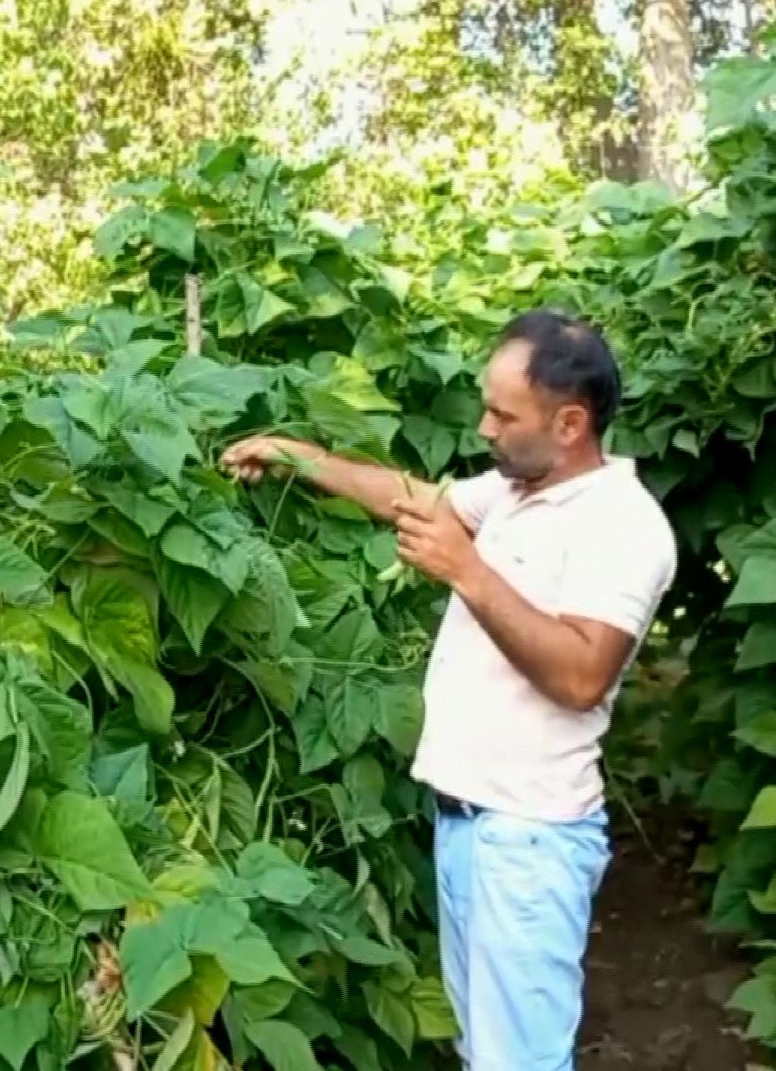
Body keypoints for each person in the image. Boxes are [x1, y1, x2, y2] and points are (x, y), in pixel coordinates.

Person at [219, 308, 677, 1071]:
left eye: (504, 413)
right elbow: (410, 495)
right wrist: (300, 457)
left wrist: (466, 571)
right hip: (471, 829)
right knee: (487, 1056)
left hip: (530, 839)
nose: (486, 427)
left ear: (570, 423)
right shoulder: (513, 492)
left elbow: (581, 674)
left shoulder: (622, 525)